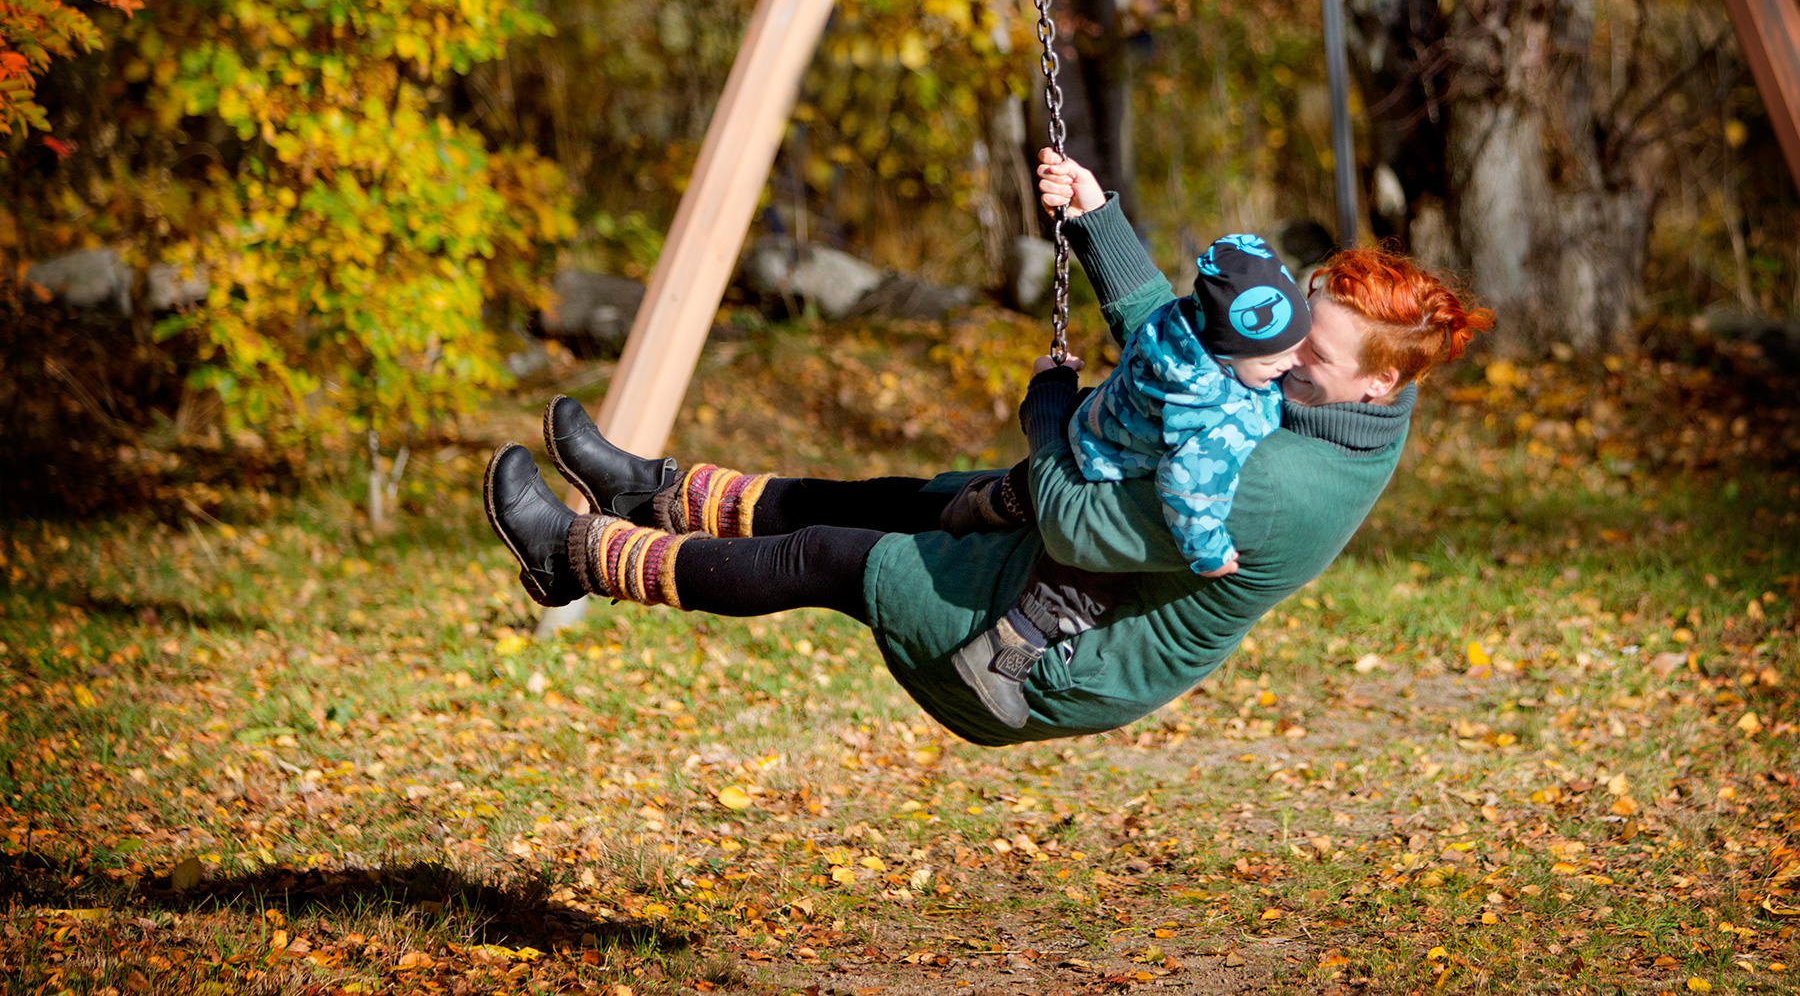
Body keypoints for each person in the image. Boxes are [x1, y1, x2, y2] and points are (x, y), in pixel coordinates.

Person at [482, 148, 1492, 747]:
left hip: (1039, 649)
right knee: (886, 497)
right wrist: (1098, 220)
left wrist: (1049, 411)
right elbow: (1185, 347)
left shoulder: (1285, 486)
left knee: (838, 556)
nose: (1274, 357)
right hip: (1049, 562)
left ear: (1379, 384)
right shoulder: (1295, 375)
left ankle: (573, 559)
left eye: (1304, 354)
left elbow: (1081, 524)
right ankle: (650, 491)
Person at [944, 209, 1313, 726]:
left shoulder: (1174, 327)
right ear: (1227, 357)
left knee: (1034, 487)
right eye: (1273, 360)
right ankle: (1002, 655)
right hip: (1112, 472)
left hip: (1094, 428)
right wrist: (1207, 550)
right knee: (1086, 580)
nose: (1290, 365)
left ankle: (985, 504)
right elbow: (1187, 486)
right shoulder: (1220, 416)